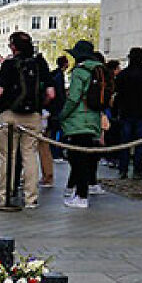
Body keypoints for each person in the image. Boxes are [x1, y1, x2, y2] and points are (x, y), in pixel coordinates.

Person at [0, 31, 54, 209]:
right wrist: (40, 105)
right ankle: (31, 198)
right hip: (33, 116)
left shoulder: (9, 64)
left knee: (6, 158)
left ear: (13, 46)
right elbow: (51, 93)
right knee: (30, 156)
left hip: (9, 115)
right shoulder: (40, 64)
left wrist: (1, 107)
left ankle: (4, 196)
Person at [59, 41, 105, 209]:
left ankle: (81, 195)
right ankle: (79, 192)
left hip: (79, 120)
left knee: (78, 159)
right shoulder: (98, 70)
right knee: (84, 158)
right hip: (92, 118)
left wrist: (62, 115)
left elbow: (73, 98)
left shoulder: (80, 71)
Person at [113, 47, 142, 180]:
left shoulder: (122, 75)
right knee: (140, 142)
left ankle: (123, 169)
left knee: (125, 143)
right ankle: (138, 169)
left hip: (126, 113)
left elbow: (118, 95)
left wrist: (116, 111)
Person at [46, 55, 69, 162]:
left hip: (54, 107)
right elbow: (60, 93)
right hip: (58, 108)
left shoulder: (55, 74)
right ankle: (56, 153)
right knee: (58, 130)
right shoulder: (59, 76)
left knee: (54, 131)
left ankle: (55, 152)